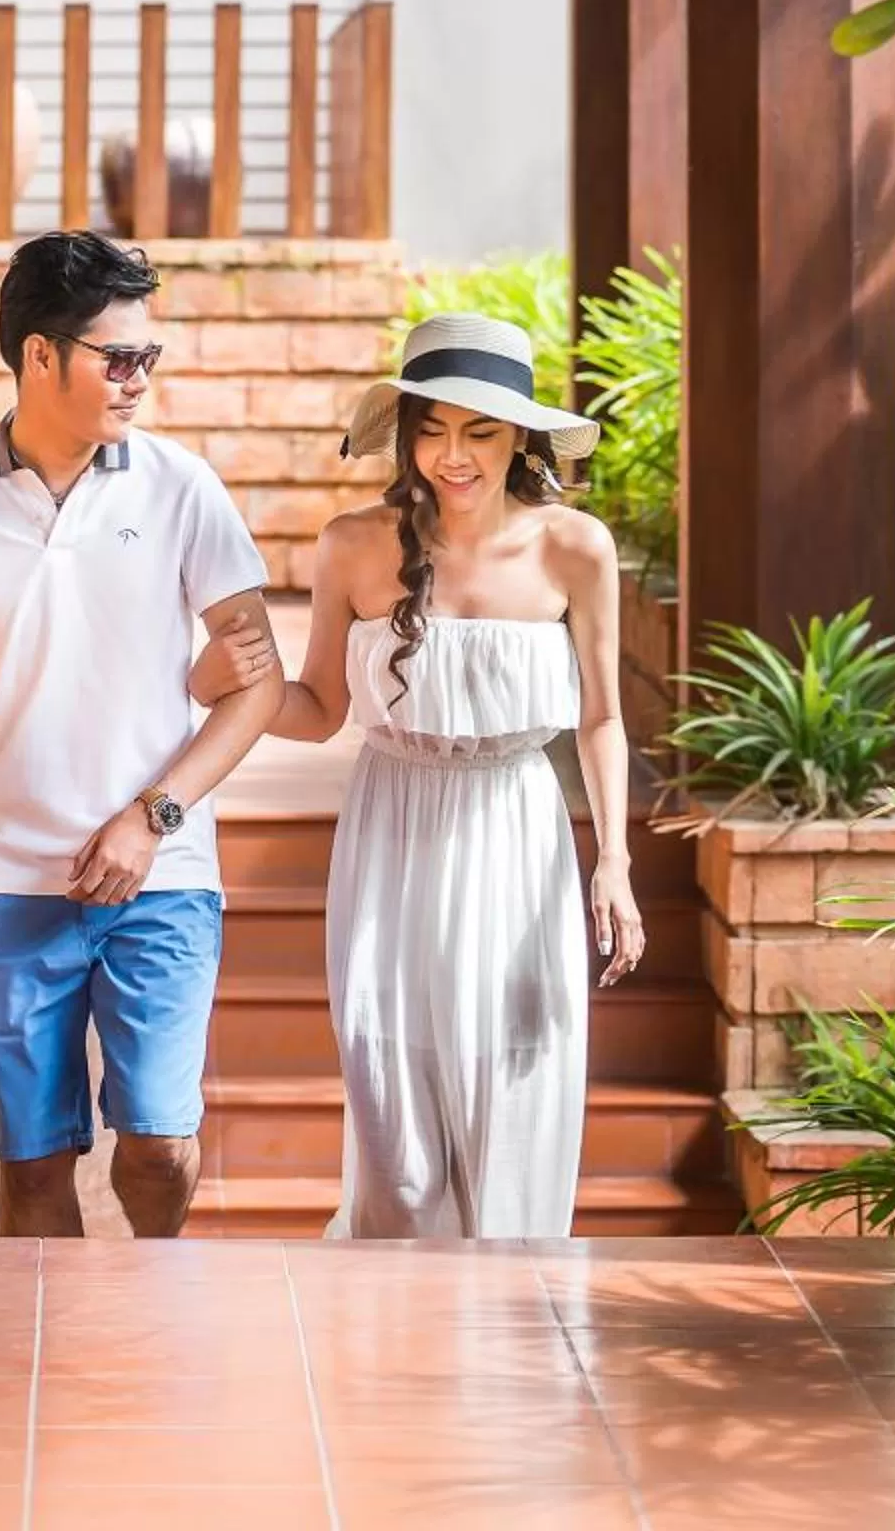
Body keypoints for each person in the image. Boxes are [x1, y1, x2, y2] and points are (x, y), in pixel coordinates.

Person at [192, 311, 643, 1239]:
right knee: (392, 1104)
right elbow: (319, 708)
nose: (453, 456)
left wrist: (615, 864)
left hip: (518, 830)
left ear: (521, 437)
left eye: (480, 432)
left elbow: (601, 716)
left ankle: (511, 1309)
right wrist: (222, 687)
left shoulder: (575, 548)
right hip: (392, 828)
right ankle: (400, 1310)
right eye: (431, 430)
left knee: (515, 1084)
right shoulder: (353, 544)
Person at [0, 231, 285, 1237]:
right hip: (12, 883)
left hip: (165, 876)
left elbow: (260, 682)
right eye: (119, 357)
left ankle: (153, 1293)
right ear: (39, 355)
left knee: (160, 1143)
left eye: (149, 357)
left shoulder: (182, 488)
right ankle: (49, 1342)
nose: (140, 380)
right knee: (32, 1171)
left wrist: (152, 817)